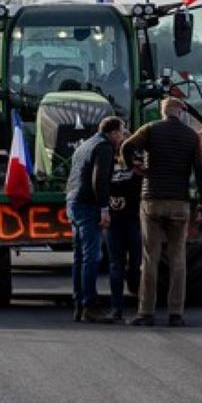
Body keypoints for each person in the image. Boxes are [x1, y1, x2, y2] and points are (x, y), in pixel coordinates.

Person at [119, 96, 202, 326]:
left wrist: (135, 167)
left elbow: (127, 146)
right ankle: (176, 313)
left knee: (150, 258)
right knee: (178, 258)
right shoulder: (191, 136)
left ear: (163, 111)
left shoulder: (150, 129)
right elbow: (200, 170)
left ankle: (146, 312)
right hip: (179, 202)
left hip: (152, 199)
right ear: (180, 112)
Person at [65, 116, 125, 323]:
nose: (123, 137)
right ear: (114, 132)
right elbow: (99, 180)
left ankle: (78, 303)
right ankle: (90, 305)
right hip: (88, 205)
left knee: (79, 256)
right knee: (92, 256)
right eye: (122, 132)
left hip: (73, 201)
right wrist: (104, 209)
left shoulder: (85, 145)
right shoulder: (104, 147)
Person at [105, 143, 144, 323]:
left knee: (131, 266)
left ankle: (129, 303)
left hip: (131, 221)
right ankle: (117, 307)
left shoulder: (137, 173)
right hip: (119, 223)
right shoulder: (111, 168)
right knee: (118, 266)